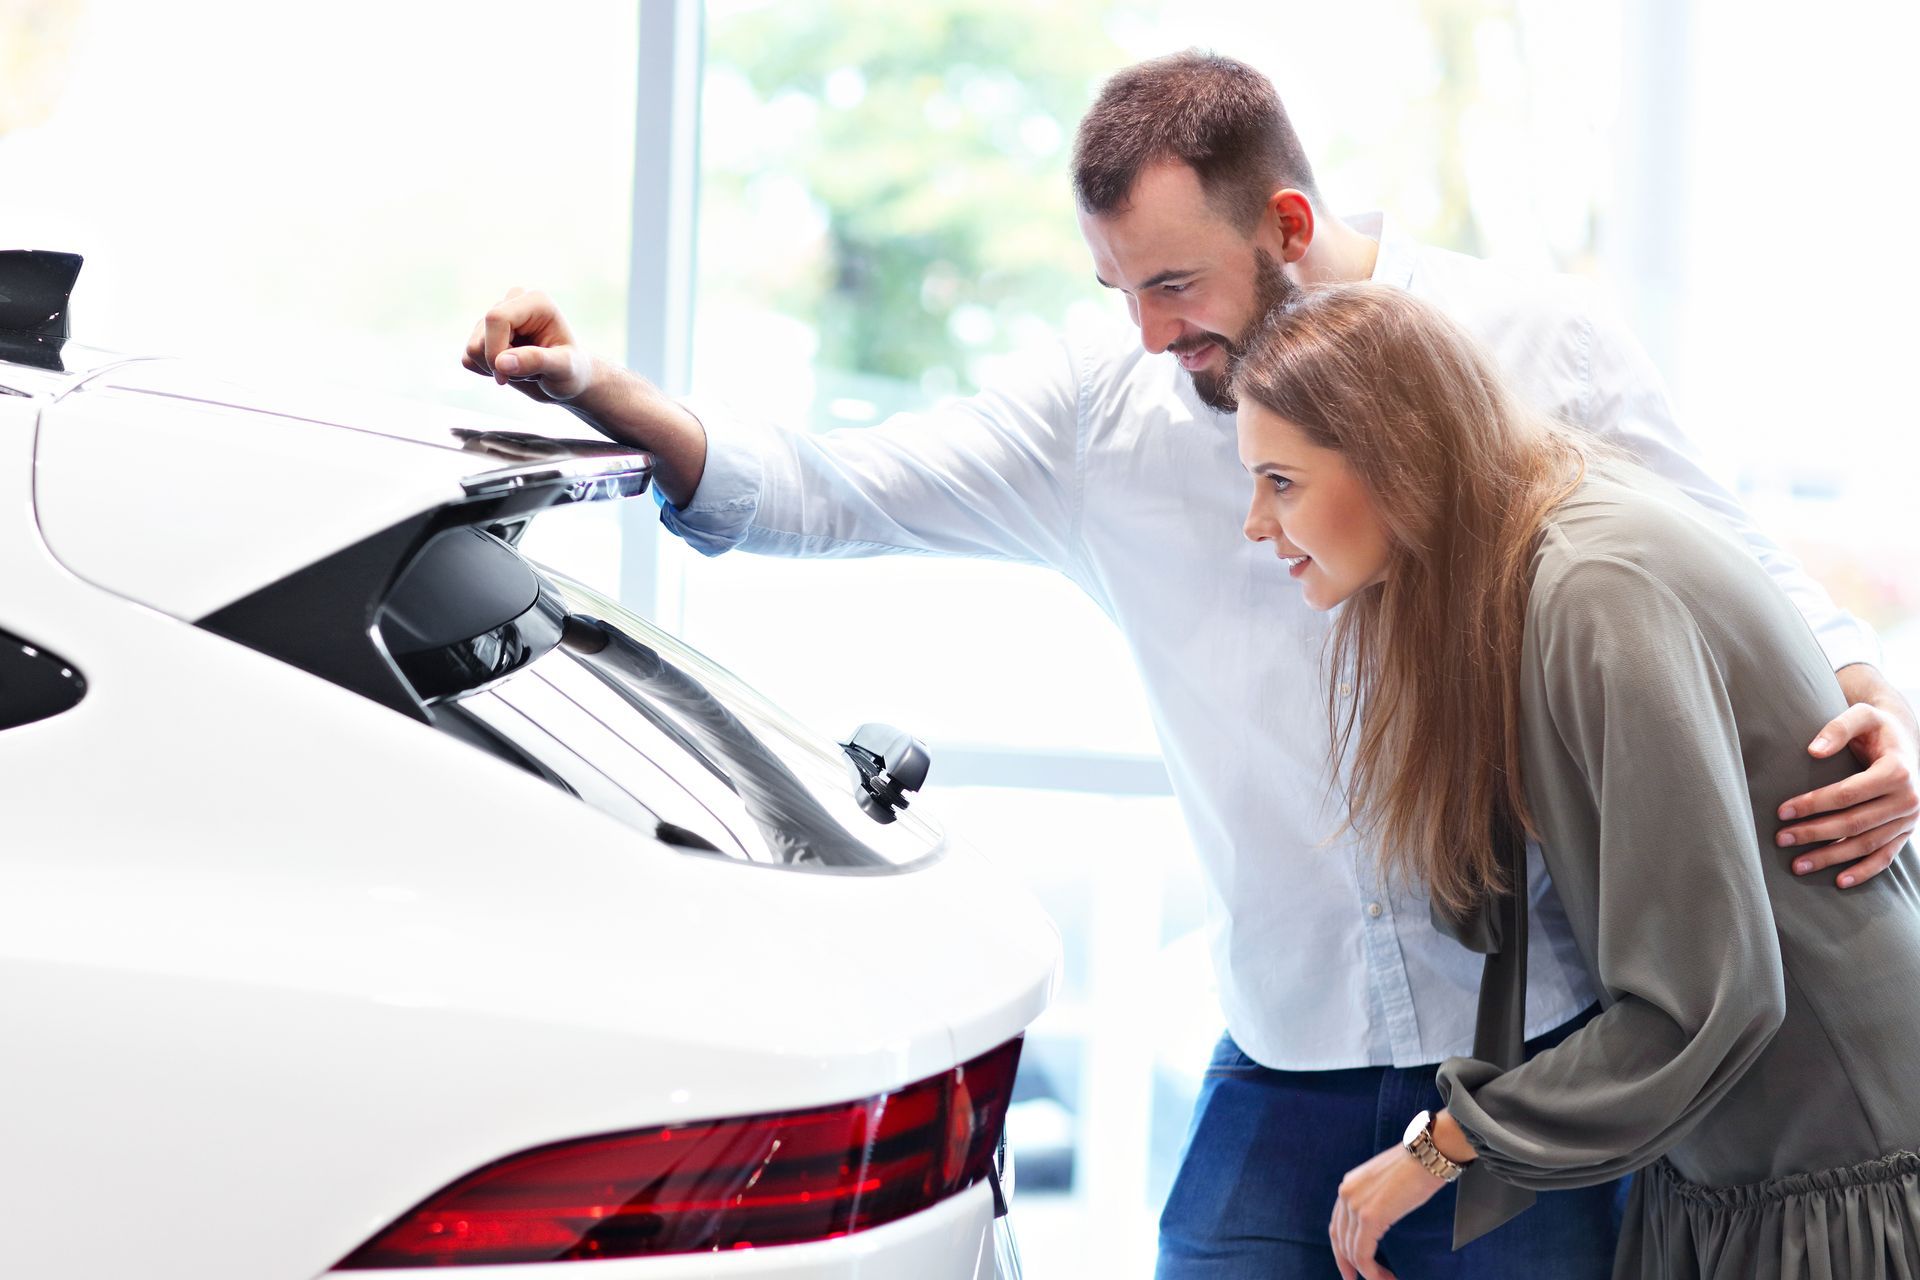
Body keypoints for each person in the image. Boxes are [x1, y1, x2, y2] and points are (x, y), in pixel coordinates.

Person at [462, 52, 1920, 1278]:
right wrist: (613, 400)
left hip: (1538, 1038)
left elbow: (1738, 572)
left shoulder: (1537, 352)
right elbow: (839, 489)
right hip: (1282, 1039)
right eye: (1115, 290)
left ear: (1287, 220)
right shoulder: (1106, 412)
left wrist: (1870, 702)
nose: (1153, 337)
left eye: (1172, 282)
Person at [1232, 280, 1920, 1280]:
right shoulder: (1537, 556)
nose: (1256, 522)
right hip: (1745, 1162)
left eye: (1280, 481)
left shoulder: (1594, 587)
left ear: (1396, 459)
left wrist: (1436, 1152)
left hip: (1839, 1169)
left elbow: (1703, 997)